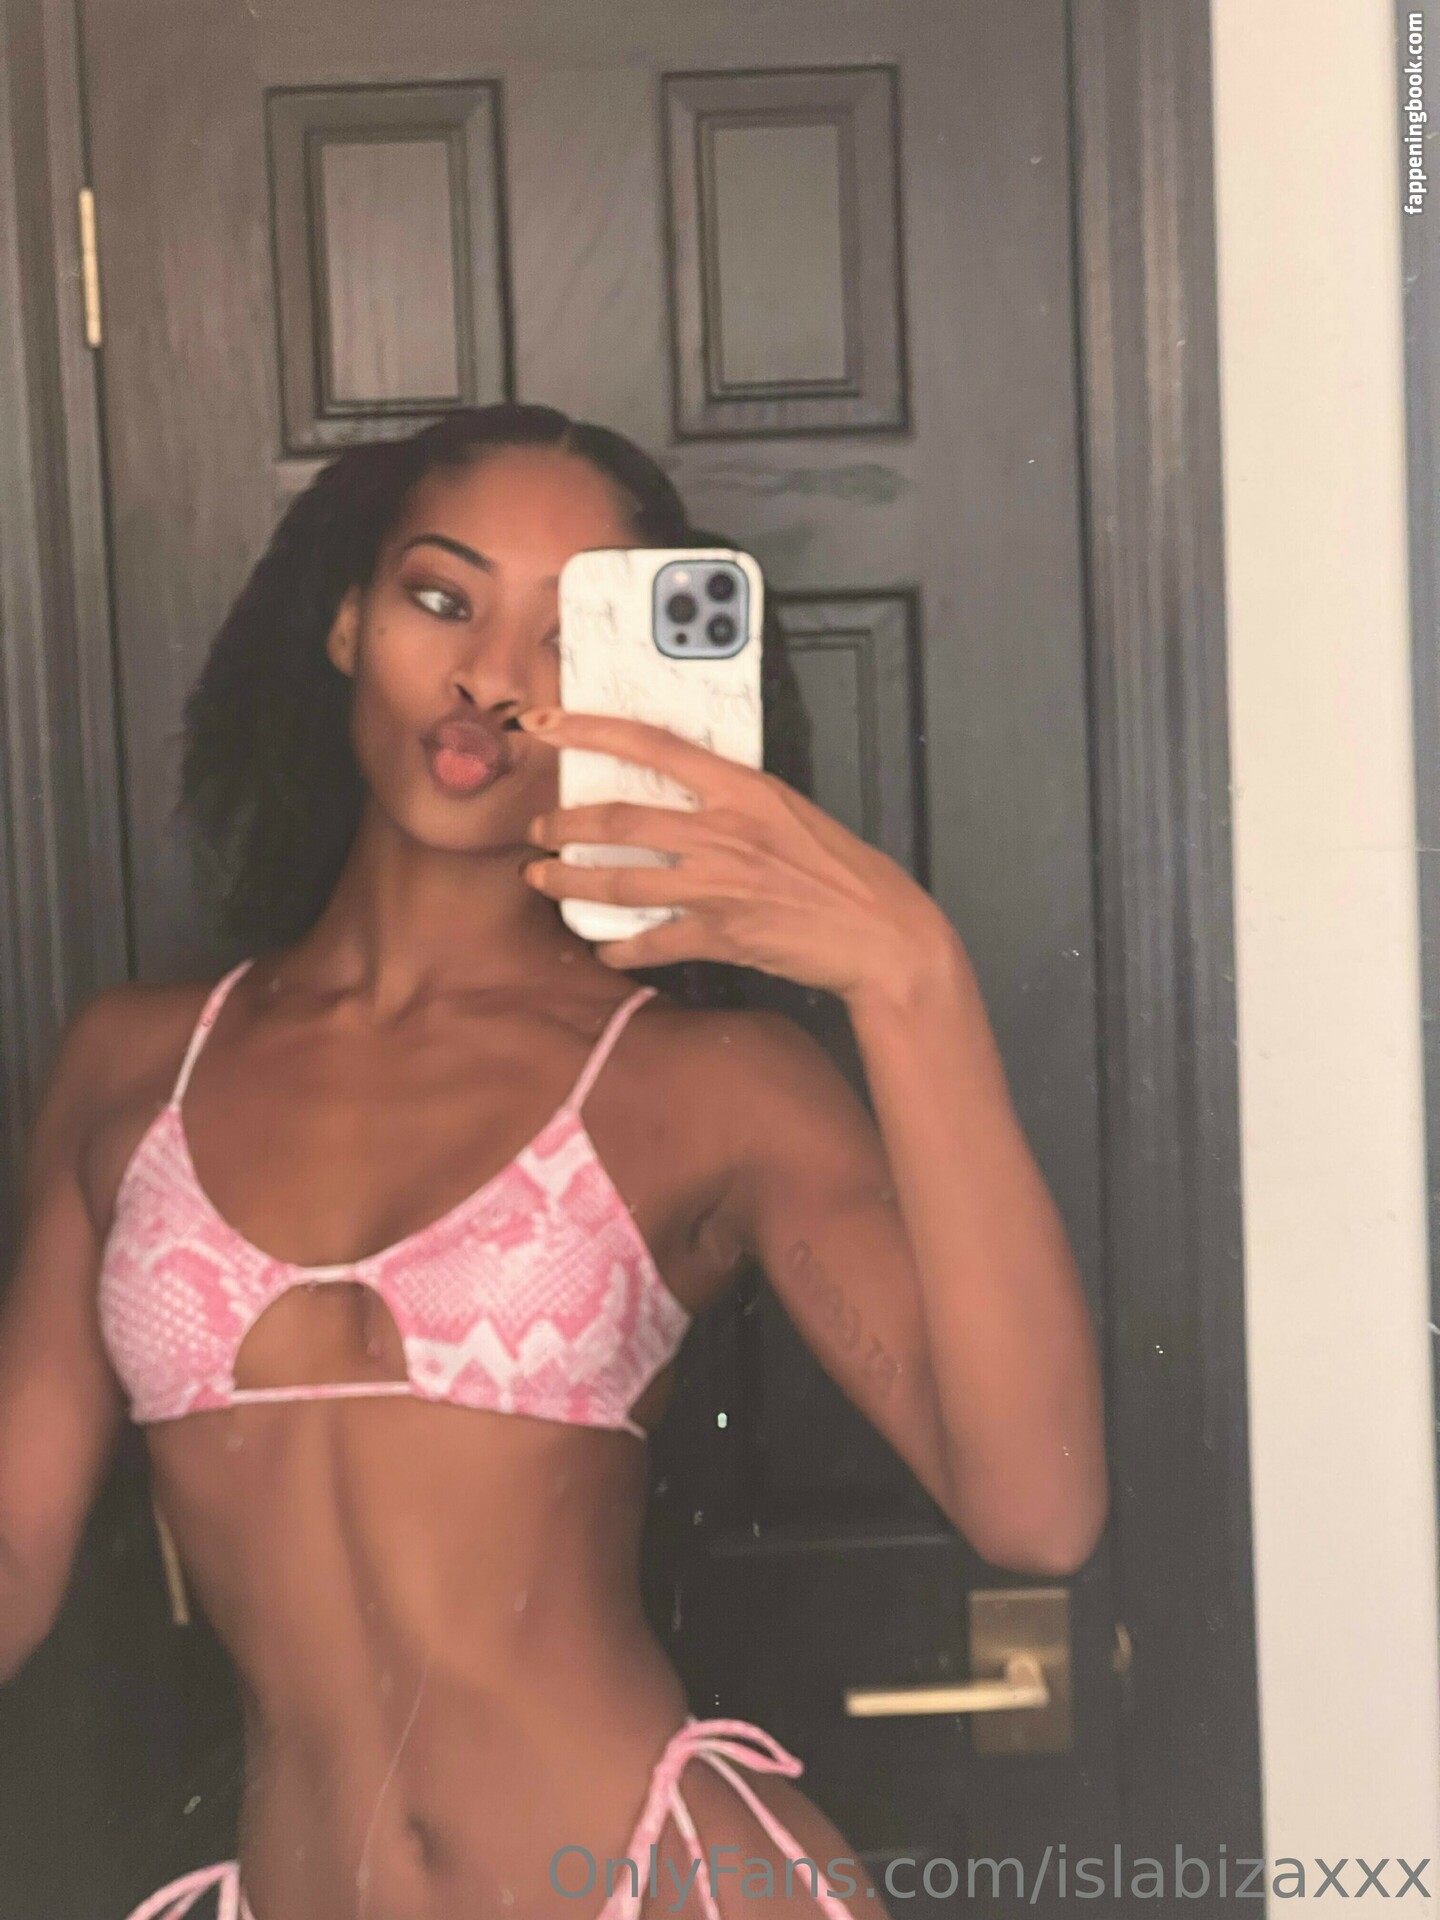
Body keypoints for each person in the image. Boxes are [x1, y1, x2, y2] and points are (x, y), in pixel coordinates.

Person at [0, 403, 1107, 1920]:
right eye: (440, 597)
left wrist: (911, 977)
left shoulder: (710, 1087)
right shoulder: (134, 1065)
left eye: (572, 636)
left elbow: (1037, 1512)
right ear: (347, 622)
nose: (492, 676)